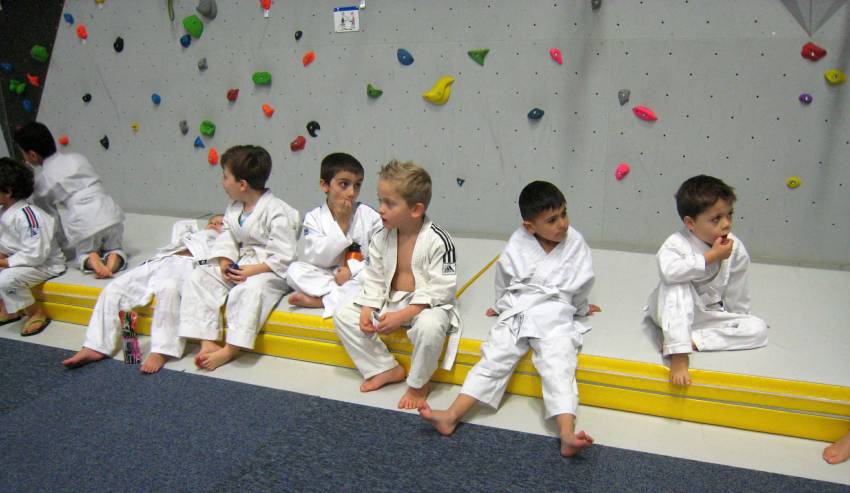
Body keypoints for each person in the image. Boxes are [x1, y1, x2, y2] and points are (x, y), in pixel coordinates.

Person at [419, 181, 600, 457]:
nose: (562, 224)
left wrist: (582, 309)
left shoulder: (576, 243)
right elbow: (503, 279)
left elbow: (582, 284)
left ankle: (566, 433)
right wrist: (501, 305)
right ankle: (451, 415)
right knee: (494, 357)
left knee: (559, 365)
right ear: (530, 226)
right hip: (519, 309)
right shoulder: (518, 242)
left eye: (564, 214)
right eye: (552, 220)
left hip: (555, 312)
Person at [333, 159, 461, 409]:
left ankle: (418, 384)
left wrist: (404, 315)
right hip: (391, 300)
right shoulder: (381, 236)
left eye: (389, 203)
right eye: (380, 200)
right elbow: (374, 277)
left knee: (430, 328)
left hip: (425, 306)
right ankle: (384, 368)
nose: (380, 209)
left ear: (415, 209)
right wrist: (368, 306)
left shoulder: (439, 240)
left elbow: (442, 289)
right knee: (343, 314)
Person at [178, 145, 299, 371]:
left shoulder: (277, 210)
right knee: (198, 278)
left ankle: (231, 348)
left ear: (242, 185)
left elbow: (284, 255)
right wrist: (225, 261)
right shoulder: (234, 208)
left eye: (225, 177)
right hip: (240, 263)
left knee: (248, 291)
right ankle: (207, 340)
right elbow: (228, 237)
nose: (222, 182)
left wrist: (253, 270)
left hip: (268, 270)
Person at [62, 215, 224, 373]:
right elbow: (180, 228)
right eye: (211, 222)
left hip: (189, 266)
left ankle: (162, 351)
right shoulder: (189, 237)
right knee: (115, 288)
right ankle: (95, 346)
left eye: (220, 224)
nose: (214, 225)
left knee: (169, 289)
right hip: (160, 262)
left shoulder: (225, 241)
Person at [647, 175, 768, 386]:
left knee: (758, 328)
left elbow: (737, 291)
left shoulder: (735, 247)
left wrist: (737, 321)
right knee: (677, 283)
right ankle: (678, 353)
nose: (726, 224)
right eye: (716, 219)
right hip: (669, 311)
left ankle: (694, 340)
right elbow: (669, 273)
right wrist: (710, 257)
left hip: (705, 314)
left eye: (729, 215)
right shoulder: (676, 244)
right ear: (690, 223)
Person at [14, 122, 126, 278]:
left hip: (84, 221)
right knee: (115, 247)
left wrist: (65, 247)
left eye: (23, 154)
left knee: (83, 253)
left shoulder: (43, 181)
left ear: (32, 155)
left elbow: (52, 220)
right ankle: (113, 259)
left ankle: (92, 259)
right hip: (110, 211)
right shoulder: (77, 158)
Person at [286, 152, 381, 318]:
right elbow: (313, 258)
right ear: (325, 185)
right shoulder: (313, 218)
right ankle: (336, 296)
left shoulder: (369, 216)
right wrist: (342, 226)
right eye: (344, 184)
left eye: (357, 185)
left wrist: (351, 271)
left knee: (372, 278)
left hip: (356, 276)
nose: (351, 192)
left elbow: (380, 257)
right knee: (294, 271)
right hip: (328, 276)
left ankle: (321, 301)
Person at [0, 157, 66, 336]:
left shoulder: (30, 216)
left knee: (5, 280)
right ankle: (9, 310)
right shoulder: (4, 212)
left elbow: (35, 254)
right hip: (18, 260)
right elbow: (6, 244)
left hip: (44, 264)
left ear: (8, 191)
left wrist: (4, 263)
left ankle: (35, 312)